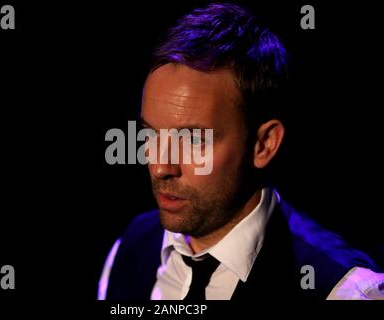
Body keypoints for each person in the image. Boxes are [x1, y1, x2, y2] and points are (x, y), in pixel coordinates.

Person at [98, 3, 384, 300]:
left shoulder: (343, 291)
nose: (160, 167)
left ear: (264, 145)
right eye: (150, 134)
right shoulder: (129, 249)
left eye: (194, 140)